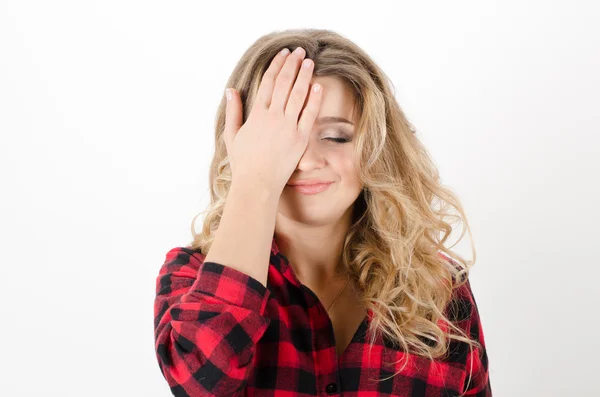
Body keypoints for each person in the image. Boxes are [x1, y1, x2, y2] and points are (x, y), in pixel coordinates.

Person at [153, 28, 491, 397]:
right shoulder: (189, 276)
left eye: (335, 137)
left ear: (376, 146)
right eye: (283, 139)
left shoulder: (438, 286)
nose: (308, 161)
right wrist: (253, 180)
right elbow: (200, 381)